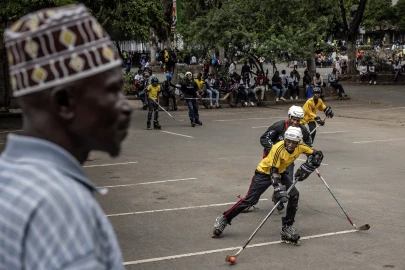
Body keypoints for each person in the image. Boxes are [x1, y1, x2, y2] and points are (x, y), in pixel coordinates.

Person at [1, 5, 132, 269]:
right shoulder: (60, 206)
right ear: (64, 102)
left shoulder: (10, 179)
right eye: (113, 90)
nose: (126, 105)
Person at [212, 127, 324, 244]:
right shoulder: (278, 148)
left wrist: (311, 165)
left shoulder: (301, 147)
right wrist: (279, 189)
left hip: (280, 172)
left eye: (294, 142)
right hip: (265, 173)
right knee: (249, 200)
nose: (290, 144)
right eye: (288, 141)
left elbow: (317, 153)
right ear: (285, 139)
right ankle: (225, 218)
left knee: (294, 195)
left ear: (298, 142)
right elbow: (273, 171)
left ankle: (287, 227)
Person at [258, 106, 312, 211]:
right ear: (289, 117)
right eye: (293, 119)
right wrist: (273, 149)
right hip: (271, 157)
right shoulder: (279, 125)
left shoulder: (302, 129)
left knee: (288, 179)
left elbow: (308, 143)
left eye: (298, 120)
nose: (296, 122)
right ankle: (251, 200)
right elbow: (264, 138)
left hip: (287, 159)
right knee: (267, 180)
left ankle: (277, 197)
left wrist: (310, 156)